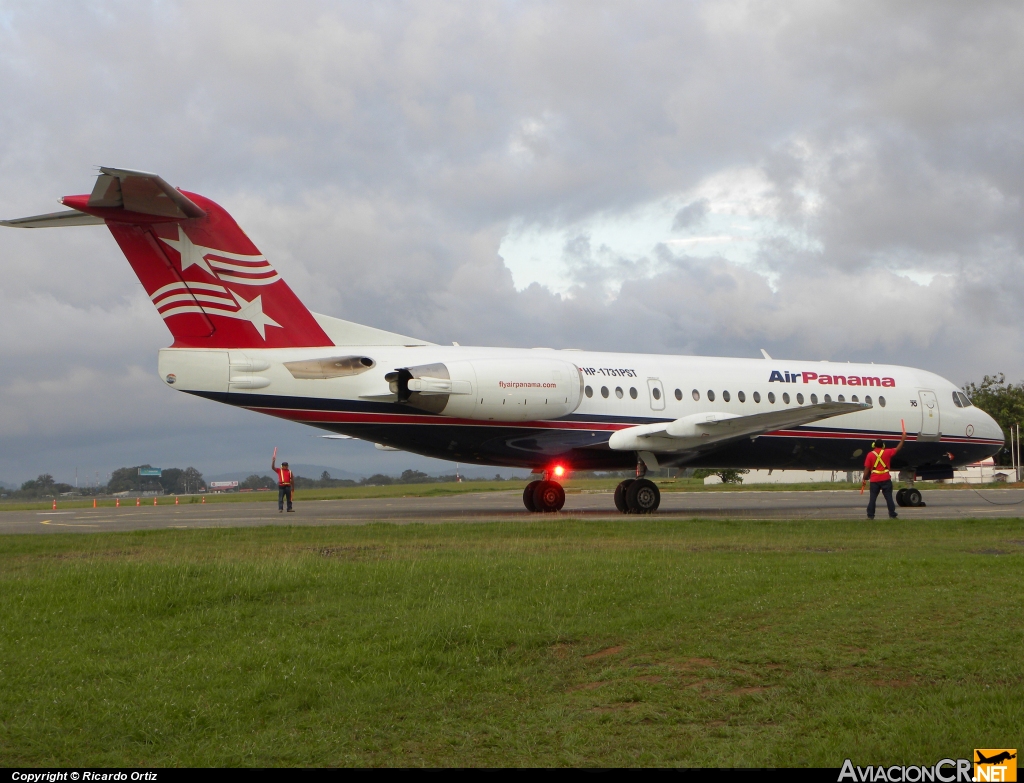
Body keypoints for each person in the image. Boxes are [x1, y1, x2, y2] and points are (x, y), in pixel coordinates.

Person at [861, 420, 907, 520]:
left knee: (872, 499)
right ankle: (892, 514)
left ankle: (870, 516)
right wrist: (903, 439)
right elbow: (897, 449)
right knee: (889, 498)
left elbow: (867, 468)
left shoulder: (870, 454)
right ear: (883, 446)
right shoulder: (887, 452)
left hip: (874, 479)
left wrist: (864, 478)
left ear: (874, 445)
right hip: (886, 478)